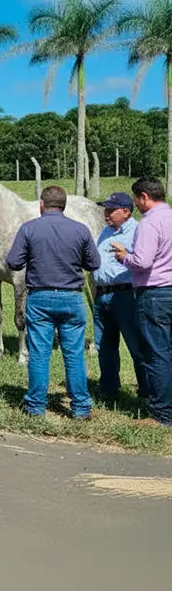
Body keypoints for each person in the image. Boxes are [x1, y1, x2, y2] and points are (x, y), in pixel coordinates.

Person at [6, 185, 100, 420]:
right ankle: (80, 407)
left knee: (39, 353)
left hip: (40, 297)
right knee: (74, 354)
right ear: (64, 205)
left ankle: (36, 406)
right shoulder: (80, 229)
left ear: (41, 204)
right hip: (72, 297)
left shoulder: (29, 228)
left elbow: (13, 262)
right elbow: (94, 263)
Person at [112, 177, 172, 427]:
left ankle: (161, 413)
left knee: (157, 353)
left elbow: (143, 262)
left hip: (154, 291)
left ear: (145, 196)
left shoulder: (149, 223)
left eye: (137, 199)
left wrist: (125, 257)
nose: (136, 203)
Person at [93, 192, 148, 405]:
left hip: (126, 294)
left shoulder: (138, 231)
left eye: (110, 209)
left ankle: (146, 391)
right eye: (105, 209)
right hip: (103, 295)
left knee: (137, 346)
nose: (106, 213)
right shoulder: (106, 231)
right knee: (104, 345)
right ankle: (108, 389)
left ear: (126, 212)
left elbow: (143, 261)